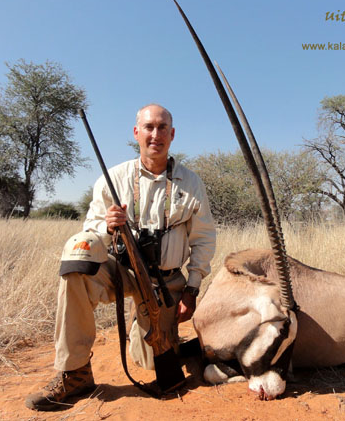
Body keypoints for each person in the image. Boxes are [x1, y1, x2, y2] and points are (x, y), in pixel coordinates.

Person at [25, 104, 216, 411]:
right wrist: (108, 225)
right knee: (78, 255)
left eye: (162, 127)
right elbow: (92, 231)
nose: (156, 134)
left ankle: (154, 329)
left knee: (153, 362)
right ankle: (74, 373)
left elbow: (204, 239)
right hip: (123, 271)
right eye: (149, 127)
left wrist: (192, 290)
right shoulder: (112, 178)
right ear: (136, 133)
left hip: (166, 281)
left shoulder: (191, 183)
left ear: (173, 134)